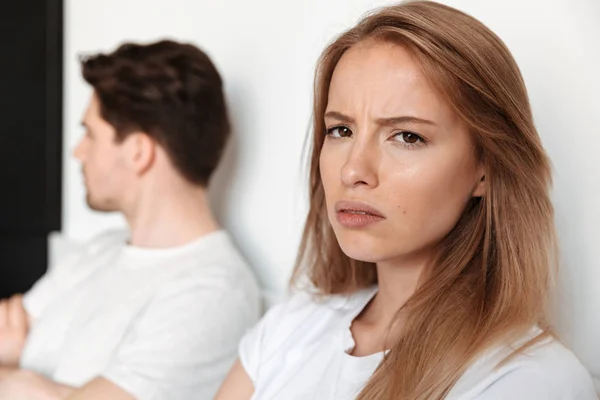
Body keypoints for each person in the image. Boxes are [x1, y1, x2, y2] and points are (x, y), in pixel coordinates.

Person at [215, 1, 597, 399]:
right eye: (341, 130)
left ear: (485, 167)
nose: (352, 170)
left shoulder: (528, 379)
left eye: (407, 136)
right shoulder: (291, 326)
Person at [0, 40, 261, 400]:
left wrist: (16, 370)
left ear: (139, 152)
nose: (79, 151)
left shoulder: (213, 292)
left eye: (90, 133)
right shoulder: (99, 250)